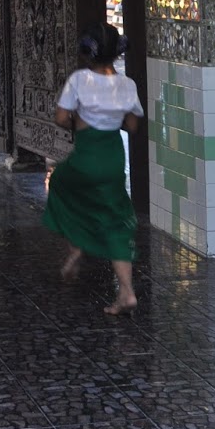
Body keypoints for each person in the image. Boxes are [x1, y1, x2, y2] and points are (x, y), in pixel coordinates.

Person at [44, 23, 144, 316]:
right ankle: (127, 291)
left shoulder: (79, 80)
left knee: (61, 186)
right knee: (116, 220)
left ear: (87, 52)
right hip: (112, 158)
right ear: (117, 53)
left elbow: (60, 118)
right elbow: (133, 125)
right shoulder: (127, 85)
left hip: (86, 156)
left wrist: (81, 121)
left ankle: (77, 245)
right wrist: (112, 117)